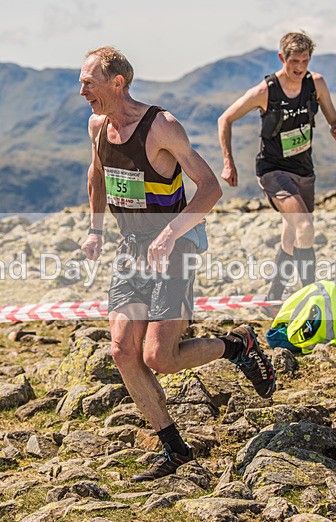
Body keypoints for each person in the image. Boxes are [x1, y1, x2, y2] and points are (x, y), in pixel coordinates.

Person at [79, 46, 277, 482]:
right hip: (131, 251)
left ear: (117, 83)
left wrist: (171, 234)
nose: (82, 91)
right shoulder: (97, 126)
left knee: (160, 357)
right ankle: (175, 450)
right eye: (81, 82)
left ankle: (237, 345)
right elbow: (97, 174)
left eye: (89, 82)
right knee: (122, 351)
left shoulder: (161, 127)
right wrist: (95, 229)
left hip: (174, 251)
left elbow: (209, 188)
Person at [218, 31, 336, 311]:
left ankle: (274, 295)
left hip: (304, 169)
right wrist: (228, 162)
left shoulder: (316, 84)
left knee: (292, 230)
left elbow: (333, 116)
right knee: (305, 226)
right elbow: (225, 118)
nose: (300, 67)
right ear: (282, 58)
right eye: (294, 62)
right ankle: (310, 299)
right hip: (272, 170)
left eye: (305, 61)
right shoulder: (266, 91)